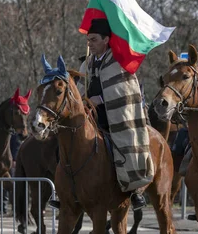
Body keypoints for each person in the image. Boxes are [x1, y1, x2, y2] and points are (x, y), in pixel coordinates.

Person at [50, 18, 151, 211]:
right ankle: (64, 192)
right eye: (88, 40)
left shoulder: (118, 61)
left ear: (106, 40)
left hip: (115, 115)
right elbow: (77, 92)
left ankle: (134, 189)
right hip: (89, 116)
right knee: (64, 143)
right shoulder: (86, 64)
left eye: (94, 40)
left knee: (126, 142)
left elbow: (125, 90)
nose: (90, 44)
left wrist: (101, 99)